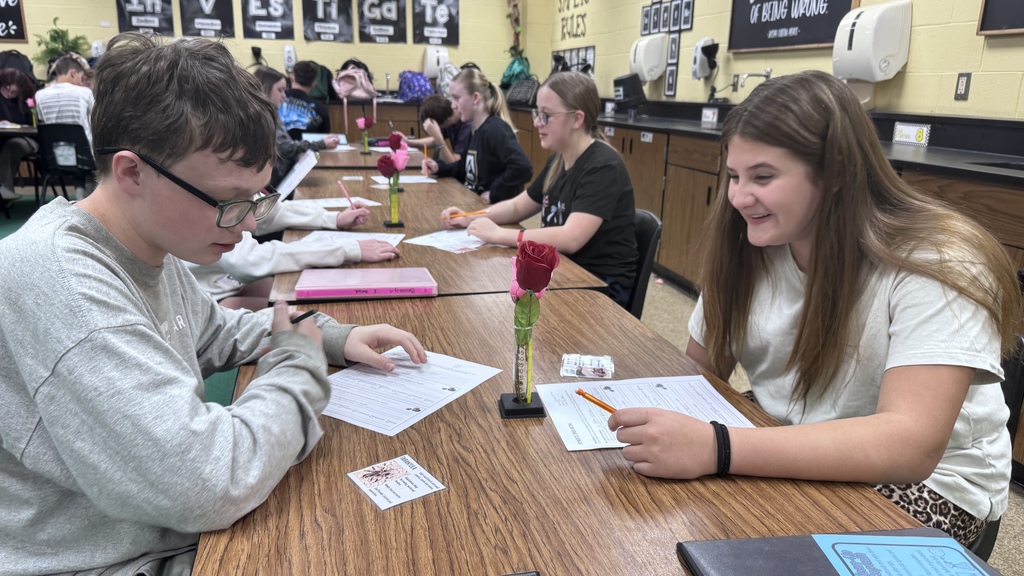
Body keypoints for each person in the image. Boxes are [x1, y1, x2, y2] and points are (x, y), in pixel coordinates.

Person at [0, 32, 426, 574]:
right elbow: (205, 482)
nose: (250, 223)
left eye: (257, 199)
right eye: (228, 202)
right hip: (120, 559)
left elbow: (215, 332)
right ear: (132, 172)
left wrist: (328, 335)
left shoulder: (148, 243)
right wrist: (299, 364)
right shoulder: (64, 284)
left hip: (169, 534)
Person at [606, 70, 1020, 547]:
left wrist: (717, 446)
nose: (739, 197)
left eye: (763, 176)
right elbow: (701, 376)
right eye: (735, 176)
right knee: (670, 518)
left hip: (932, 482)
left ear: (837, 174)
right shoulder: (748, 243)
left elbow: (910, 446)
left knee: (759, 543)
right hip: (790, 430)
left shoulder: (938, 260)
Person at [440, 72, 637, 308]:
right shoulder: (558, 161)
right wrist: (469, 217)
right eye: (537, 114)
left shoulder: (603, 165)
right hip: (563, 273)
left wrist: (501, 235)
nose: (536, 123)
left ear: (577, 119)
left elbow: (571, 237)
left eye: (546, 115)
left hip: (599, 287)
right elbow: (517, 206)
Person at [187, 200, 401, 311]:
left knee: (289, 291)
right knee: (307, 313)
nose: (251, 224)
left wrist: (332, 219)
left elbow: (270, 211)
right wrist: (345, 249)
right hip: (206, 299)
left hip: (224, 281)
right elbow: (248, 261)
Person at [422, 68, 531, 203]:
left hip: (493, 213)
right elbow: (463, 168)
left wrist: (494, 193)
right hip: (474, 204)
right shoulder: (474, 130)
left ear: (475, 98)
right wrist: (440, 168)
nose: (453, 106)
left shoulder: (495, 129)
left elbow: (523, 167)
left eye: (456, 98)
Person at [253, 66, 340, 187]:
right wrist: (321, 144)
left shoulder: (271, 113)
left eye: (284, 90)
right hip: (271, 183)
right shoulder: (260, 117)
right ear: (264, 89)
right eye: (280, 90)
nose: (284, 96)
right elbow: (284, 148)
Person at [35, 53, 96, 200]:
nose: (82, 83)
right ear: (73, 73)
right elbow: (96, 120)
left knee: (72, 148)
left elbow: (46, 124)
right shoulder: (84, 92)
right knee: (90, 147)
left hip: (55, 159)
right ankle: (87, 198)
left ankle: (80, 197)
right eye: (81, 78)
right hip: (86, 158)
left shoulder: (40, 96)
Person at [0, 68, 38, 202]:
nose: (9, 93)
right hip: (2, 137)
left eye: (14, 92)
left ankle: (6, 191)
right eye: (6, 89)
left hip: (25, 139)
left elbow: (33, 123)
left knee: (12, 146)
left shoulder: (27, 101)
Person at [404, 94, 471, 164]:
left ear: (447, 120)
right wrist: (408, 142)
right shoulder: (449, 118)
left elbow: (455, 165)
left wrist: (438, 138)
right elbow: (434, 140)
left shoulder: (467, 128)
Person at [281, 60, 331, 136]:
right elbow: (324, 139)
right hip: (309, 147)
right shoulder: (321, 109)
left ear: (292, 77)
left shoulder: (277, 100)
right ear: (313, 84)